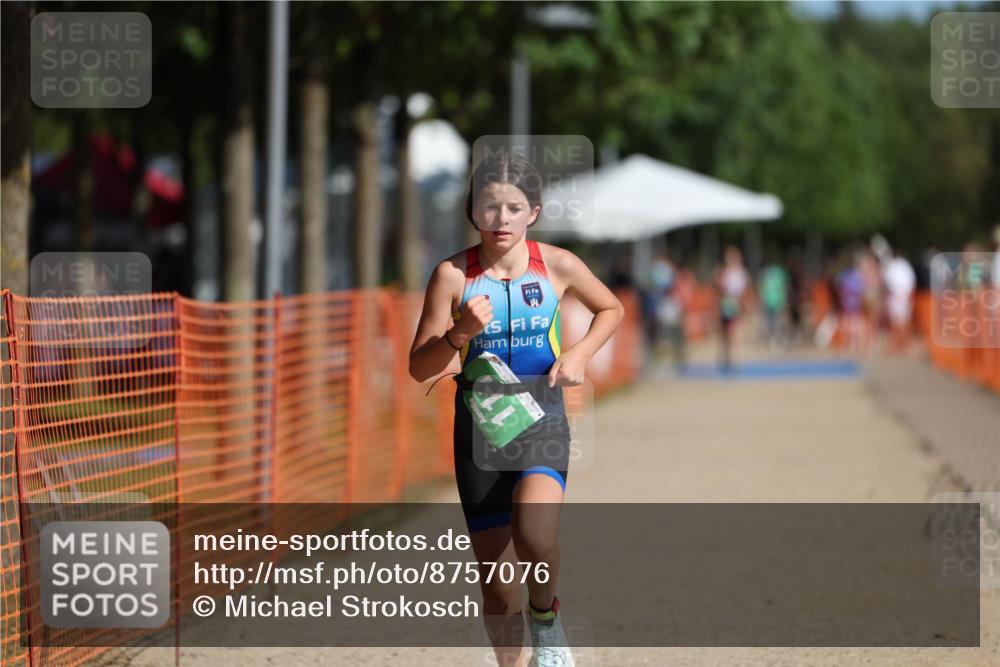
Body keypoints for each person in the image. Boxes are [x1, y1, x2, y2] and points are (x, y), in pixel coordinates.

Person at [409, 148, 624, 667]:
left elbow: (610, 308)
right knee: (499, 585)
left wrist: (578, 354)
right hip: (480, 429)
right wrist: (460, 332)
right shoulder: (452, 276)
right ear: (472, 211)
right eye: (488, 206)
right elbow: (420, 366)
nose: (499, 219)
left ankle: (547, 625)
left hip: (542, 414)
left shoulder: (558, 266)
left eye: (511, 207)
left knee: (534, 533)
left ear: (533, 212)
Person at [714, 245, 750, 372]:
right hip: (724, 304)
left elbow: (742, 290)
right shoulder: (724, 271)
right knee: (723, 334)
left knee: (734, 333)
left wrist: (742, 305)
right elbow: (719, 288)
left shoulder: (740, 272)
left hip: (734, 305)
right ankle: (725, 359)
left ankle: (734, 361)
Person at [882, 247, 916, 353]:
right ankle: (900, 343)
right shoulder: (901, 266)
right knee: (900, 320)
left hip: (899, 295)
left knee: (900, 321)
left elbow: (888, 282)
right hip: (898, 295)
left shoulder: (897, 266)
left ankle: (901, 343)